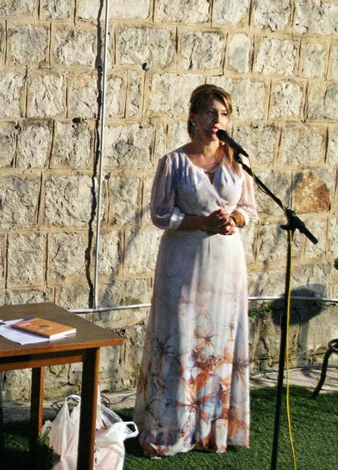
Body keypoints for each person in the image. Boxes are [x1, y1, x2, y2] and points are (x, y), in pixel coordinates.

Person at [133, 84, 257, 457]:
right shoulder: (173, 162)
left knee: (220, 341)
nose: (217, 120)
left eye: (224, 114)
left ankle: (213, 430)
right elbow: (160, 214)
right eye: (210, 112)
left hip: (227, 266)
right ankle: (172, 427)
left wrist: (234, 219)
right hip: (183, 265)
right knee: (181, 339)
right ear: (193, 116)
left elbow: (249, 209)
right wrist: (201, 222)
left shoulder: (238, 161)